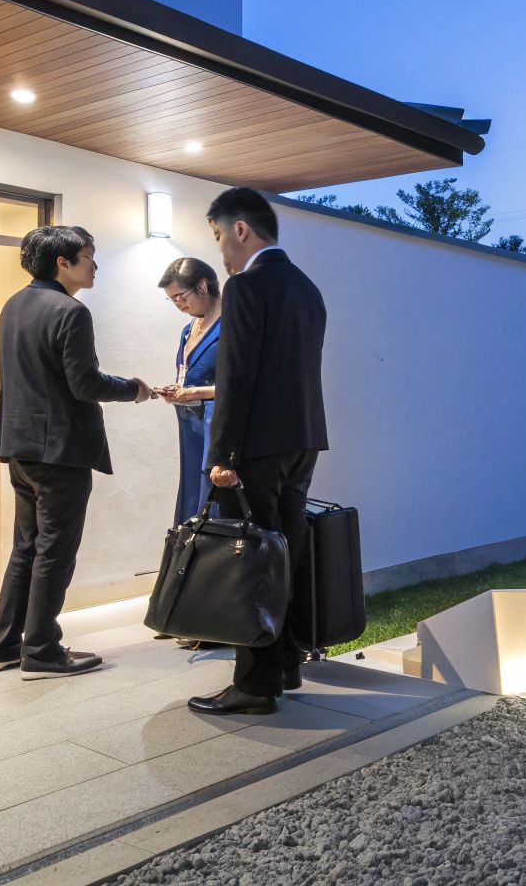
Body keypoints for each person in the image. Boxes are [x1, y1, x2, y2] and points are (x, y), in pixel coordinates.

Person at [0, 225, 149, 679]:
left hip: (18, 445)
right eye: (89, 257)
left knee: (27, 548)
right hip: (60, 450)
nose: (94, 266)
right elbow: (85, 384)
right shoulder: (70, 311)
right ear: (63, 262)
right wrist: (134, 389)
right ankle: (41, 650)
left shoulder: (12, 306)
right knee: (55, 551)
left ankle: (3, 645)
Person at [188, 187, 327, 716]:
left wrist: (221, 453)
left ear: (241, 229)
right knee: (284, 554)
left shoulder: (245, 286)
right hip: (303, 439)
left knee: (250, 565)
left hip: (256, 448)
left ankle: (254, 685)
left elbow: (236, 375)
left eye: (219, 235)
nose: (221, 248)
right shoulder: (306, 287)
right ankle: (286, 664)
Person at [155, 257, 223, 526]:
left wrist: (194, 393)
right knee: (192, 492)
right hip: (191, 423)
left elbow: (241, 384)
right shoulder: (189, 328)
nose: (178, 304)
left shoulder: (232, 324)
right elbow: (189, 374)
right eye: (172, 300)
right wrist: (179, 390)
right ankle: (190, 565)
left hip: (215, 424)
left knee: (211, 496)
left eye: (181, 296)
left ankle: (212, 564)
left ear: (203, 285)